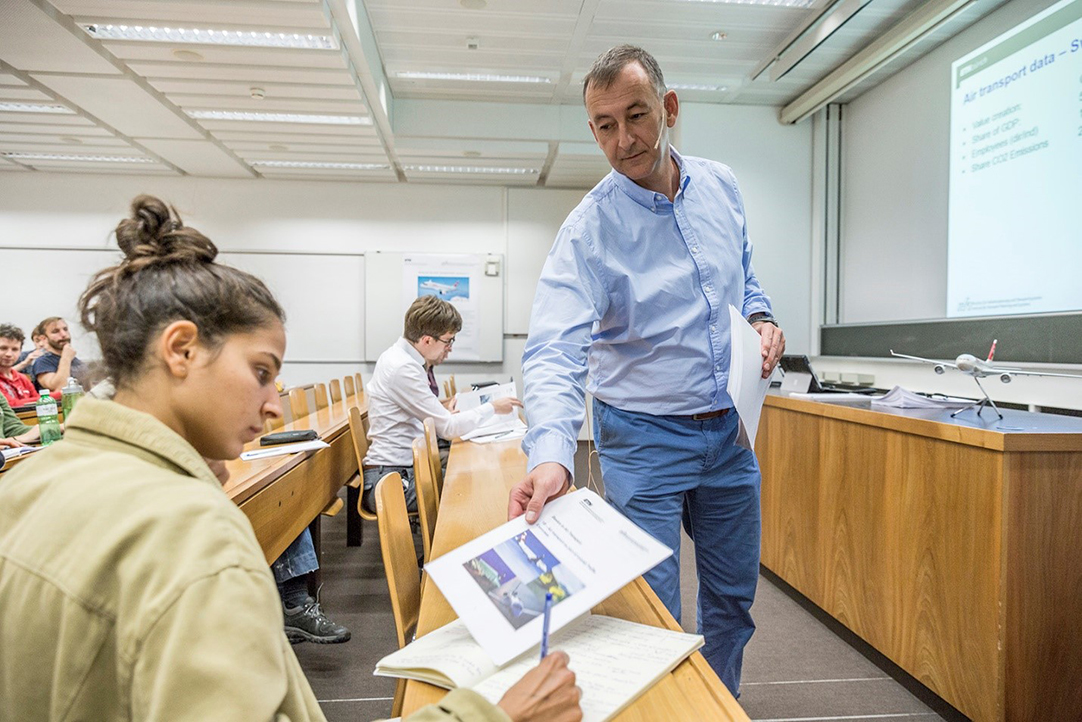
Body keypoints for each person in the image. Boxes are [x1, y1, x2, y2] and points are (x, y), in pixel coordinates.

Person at [0, 195, 581, 722]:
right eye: (260, 373)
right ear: (180, 351)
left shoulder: (28, 485)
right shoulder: (193, 540)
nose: (275, 406)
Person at [507, 45, 785, 697]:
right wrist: (550, 454)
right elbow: (552, 350)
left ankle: (717, 706)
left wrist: (763, 316)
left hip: (729, 433)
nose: (624, 139)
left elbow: (744, 276)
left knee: (731, 605)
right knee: (654, 621)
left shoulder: (721, 185)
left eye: (636, 116)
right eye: (605, 125)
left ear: (670, 108)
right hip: (642, 442)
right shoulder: (587, 233)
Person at [363, 295, 522, 514]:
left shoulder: (402, 359)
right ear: (427, 340)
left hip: (402, 470)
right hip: (391, 481)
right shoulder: (402, 368)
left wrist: (443, 410)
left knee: (478, 478)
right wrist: (492, 407)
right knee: (477, 489)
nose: (450, 348)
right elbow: (447, 429)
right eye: (448, 341)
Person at [30, 316, 87, 392]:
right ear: (44, 338)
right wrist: (66, 358)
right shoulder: (42, 362)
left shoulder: (76, 360)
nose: (63, 334)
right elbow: (60, 387)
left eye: (65, 329)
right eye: (55, 331)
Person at [0, 324, 41, 408]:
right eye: (3, 348)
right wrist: (58, 395)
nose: (9, 354)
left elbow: (37, 399)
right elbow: (11, 405)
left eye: (15, 349)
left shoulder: (22, 378)